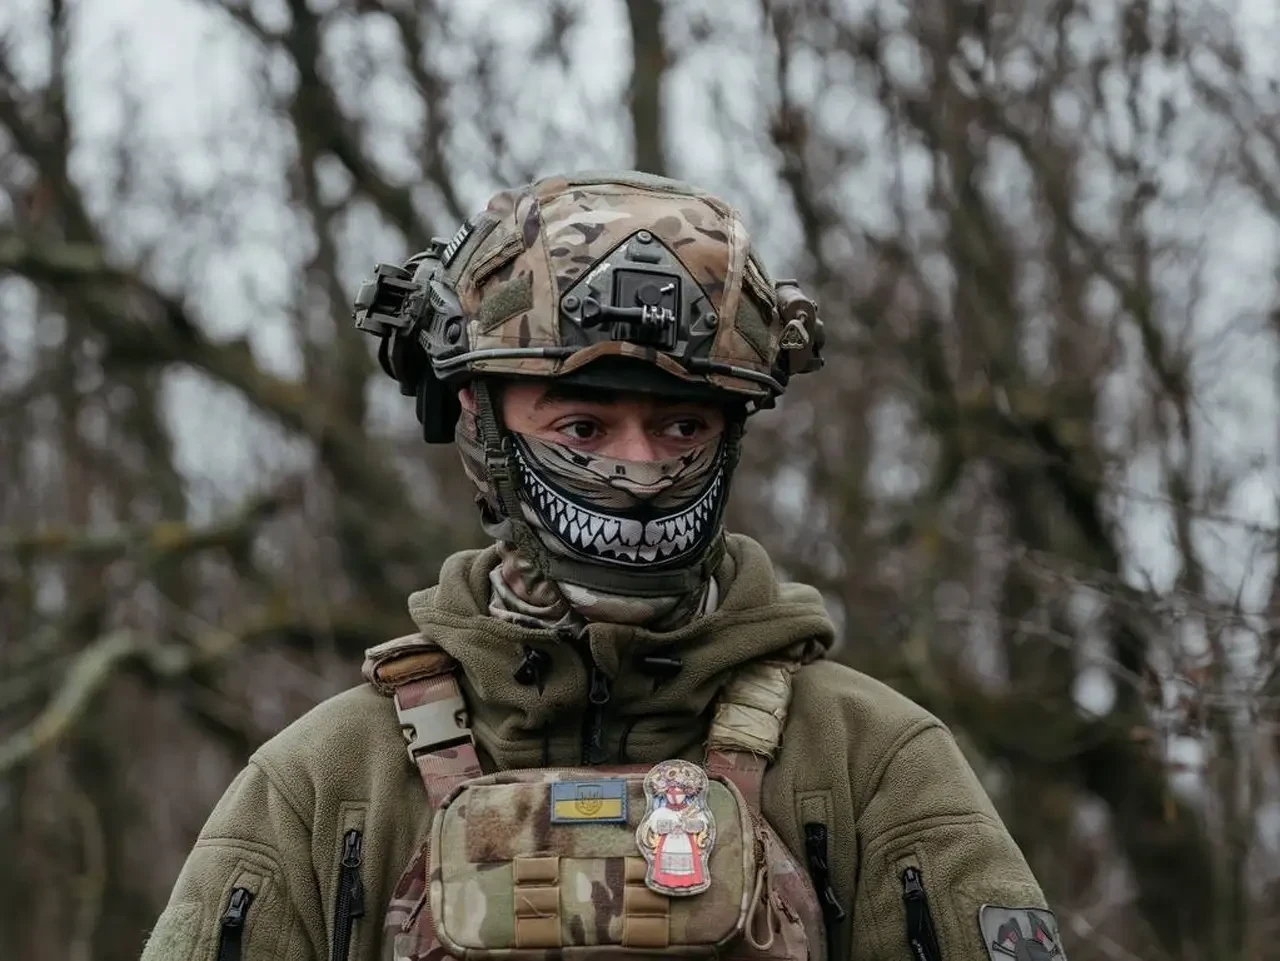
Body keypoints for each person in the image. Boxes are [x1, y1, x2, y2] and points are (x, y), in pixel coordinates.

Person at [141, 171, 1067, 961]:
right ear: (479, 422)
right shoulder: (327, 782)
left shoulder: (870, 762)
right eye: (583, 426)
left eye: (682, 425)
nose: (641, 470)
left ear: (730, 434)